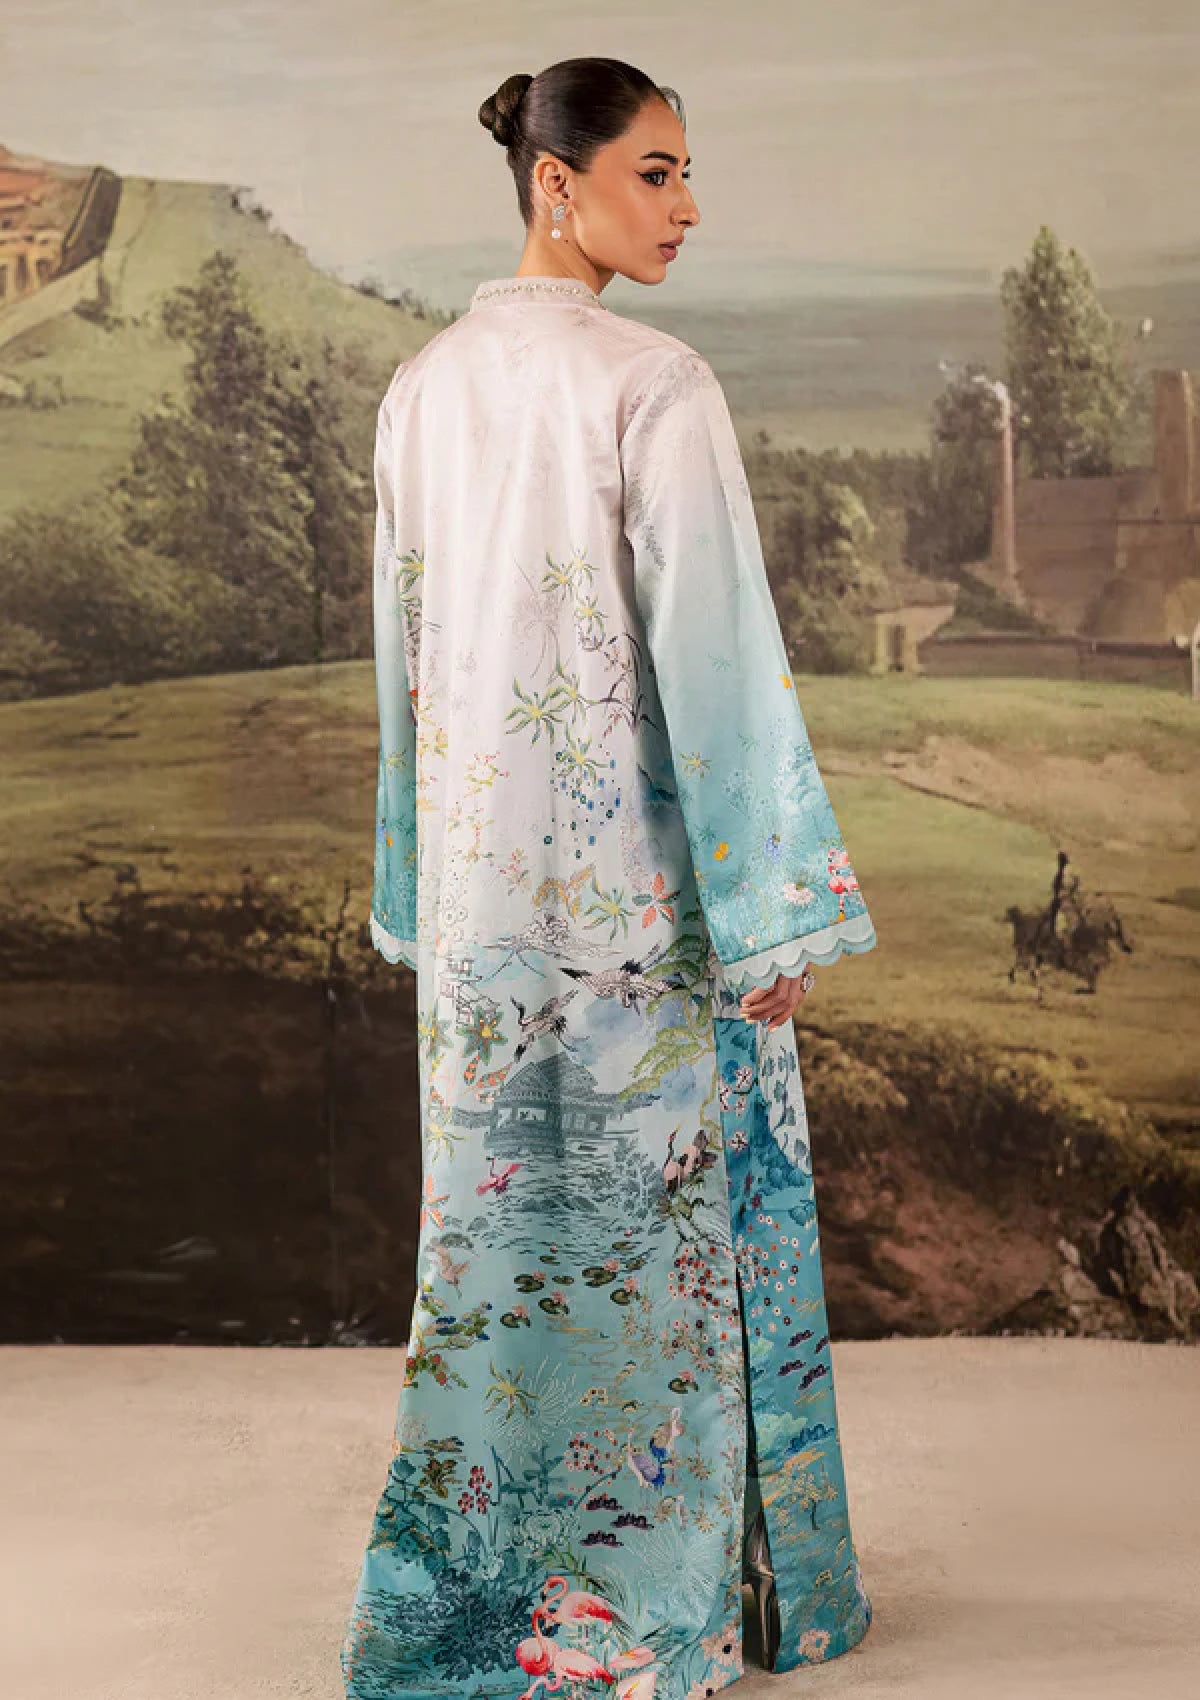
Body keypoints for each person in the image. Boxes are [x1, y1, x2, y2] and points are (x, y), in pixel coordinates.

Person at [342, 56, 878, 1700]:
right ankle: (659, 1605)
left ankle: (484, 1593)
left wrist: (418, 896)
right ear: (554, 184)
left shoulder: (419, 391)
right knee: (662, 1249)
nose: (689, 205)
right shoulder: (657, 387)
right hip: (643, 914)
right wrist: (772, 914)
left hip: (487, 931)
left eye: (688, 171)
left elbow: (405, 676)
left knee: (504, 1255)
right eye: (657, 171)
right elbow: (719, 666)